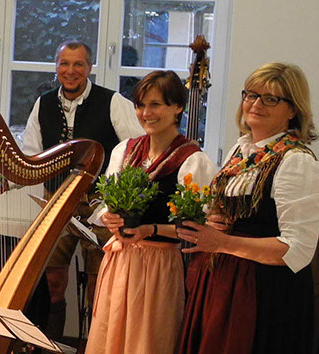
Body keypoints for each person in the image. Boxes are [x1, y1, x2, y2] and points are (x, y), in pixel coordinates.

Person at [177, 62, 319, 353]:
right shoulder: (240, 150)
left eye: (271, 99)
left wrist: (224, 241)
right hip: (223, 281)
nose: (256, 104)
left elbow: (298, 249)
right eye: (251, 95)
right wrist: (215, 219)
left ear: (293, 110)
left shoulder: (295, 161)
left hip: (265, 292)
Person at [85, 70, 217, 353]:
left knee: (146, 340)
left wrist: (151, 230)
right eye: (141, 105)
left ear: (177, 107)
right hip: (120, 261)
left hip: (158, 264)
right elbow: (108, 204)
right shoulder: (126, 150)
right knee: (111, 338)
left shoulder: (193, 160)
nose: (146, 113)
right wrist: (109, 217)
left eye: (156, 104)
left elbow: (197, 228)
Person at [21, 39, 144, 340]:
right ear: (56, 67)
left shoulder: (113, 101)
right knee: (52, 278)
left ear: (90, 68)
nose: (71, 70)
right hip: (57, 201)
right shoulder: (44, 103)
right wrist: (3, 180)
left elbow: (139, 149)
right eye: (65, 63)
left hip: (100, 206)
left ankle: (93, 342)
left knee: (97, 283)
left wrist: (119, 197)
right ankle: (52, 342)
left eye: (78, 64)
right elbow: (32, 154)